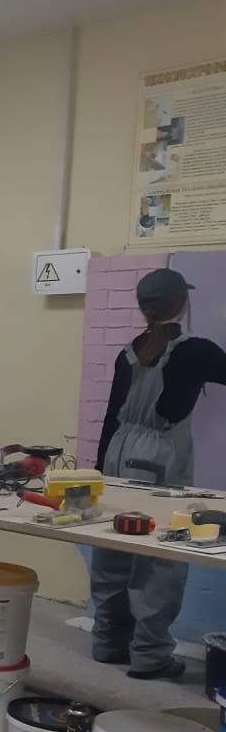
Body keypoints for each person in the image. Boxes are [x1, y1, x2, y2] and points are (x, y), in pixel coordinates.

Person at [91, 267, 226, 680]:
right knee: (161, 557)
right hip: (160, 461)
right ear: (182, 303)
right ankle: (150, 657)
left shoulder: (127, 352)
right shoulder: (197, 352)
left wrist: (100, 475)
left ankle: (107, 642)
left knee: (112, 547)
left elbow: (111, 418)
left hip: (116, 455)